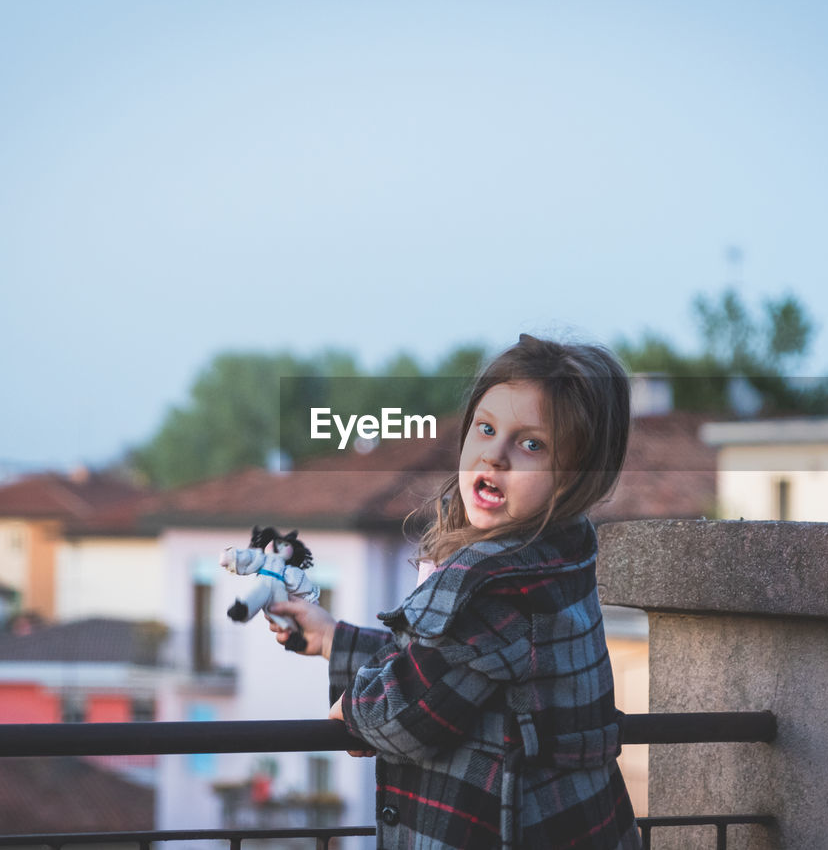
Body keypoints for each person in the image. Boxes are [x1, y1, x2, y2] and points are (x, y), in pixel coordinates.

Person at [268, 334, 641, 849]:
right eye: (486, 429)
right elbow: (453, 669)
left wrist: (354, 711)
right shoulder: (564, 550)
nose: (496, 455)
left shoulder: (491, 583)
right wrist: (336, 639)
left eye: (531, 444)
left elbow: (405, 715)